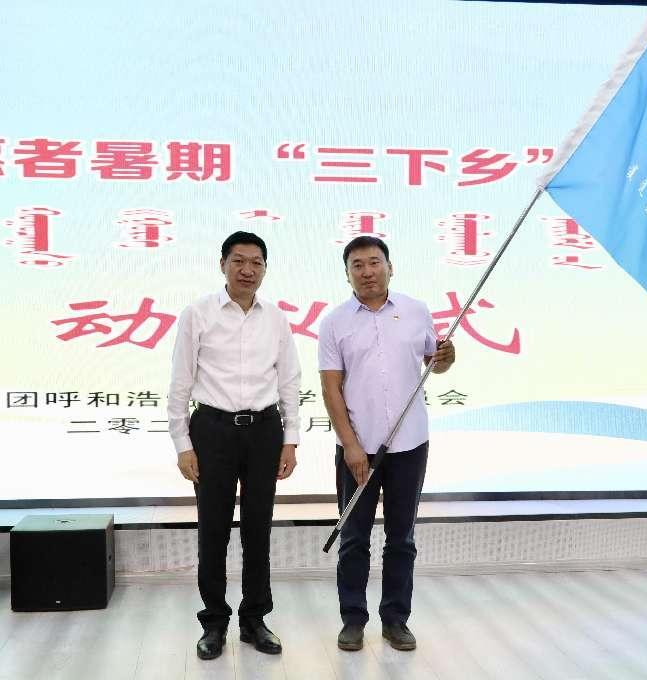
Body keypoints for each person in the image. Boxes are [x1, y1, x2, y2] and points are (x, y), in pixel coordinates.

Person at [167, 231, 301, 660]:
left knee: (258, 529)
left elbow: (290, 381)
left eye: (256, 262)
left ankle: (254, 619)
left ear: (265, 269)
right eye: (239, 261)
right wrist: (182, 444)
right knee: (213, 530)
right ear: (222, 264)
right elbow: (180, 382)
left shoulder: (276, 318)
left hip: (264, 430)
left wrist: (291, 440)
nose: (248, 270)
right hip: (212, 430)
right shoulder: (198, 313)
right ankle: (214, 622)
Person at [318, 235, 455, 652]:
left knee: (402, 538)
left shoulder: (416, 311)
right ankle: (352, 620)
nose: (367, 272)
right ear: (347, 274)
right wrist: (350, 445)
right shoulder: (335, 322)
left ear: (390, 267)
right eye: (357, 265)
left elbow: (436, 363)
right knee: (354, 538)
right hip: (358, 447)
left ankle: (395, 620)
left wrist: (446, 357)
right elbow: (330, 388)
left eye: (374, 262)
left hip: (410, 444)